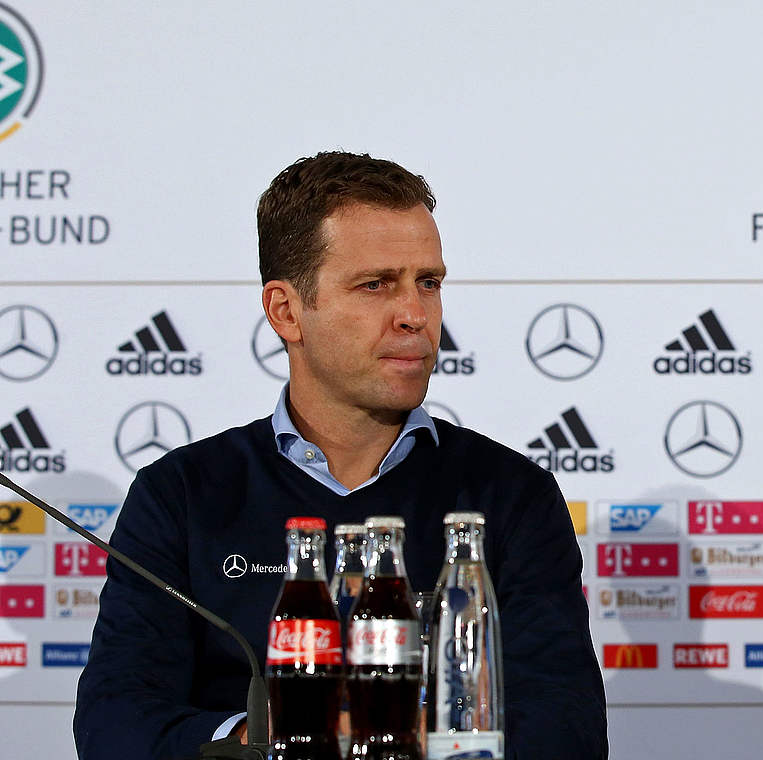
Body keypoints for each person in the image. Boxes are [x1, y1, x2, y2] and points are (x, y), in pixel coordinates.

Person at [74, 151, 607, 760]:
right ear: (286, 311)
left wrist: (394, 737)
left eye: (427, 283)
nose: (415, 316)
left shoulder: (510, 496)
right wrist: (264, 740)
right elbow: (114, 726)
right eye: (375, 284)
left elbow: (569, 731)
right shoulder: (182, 493)